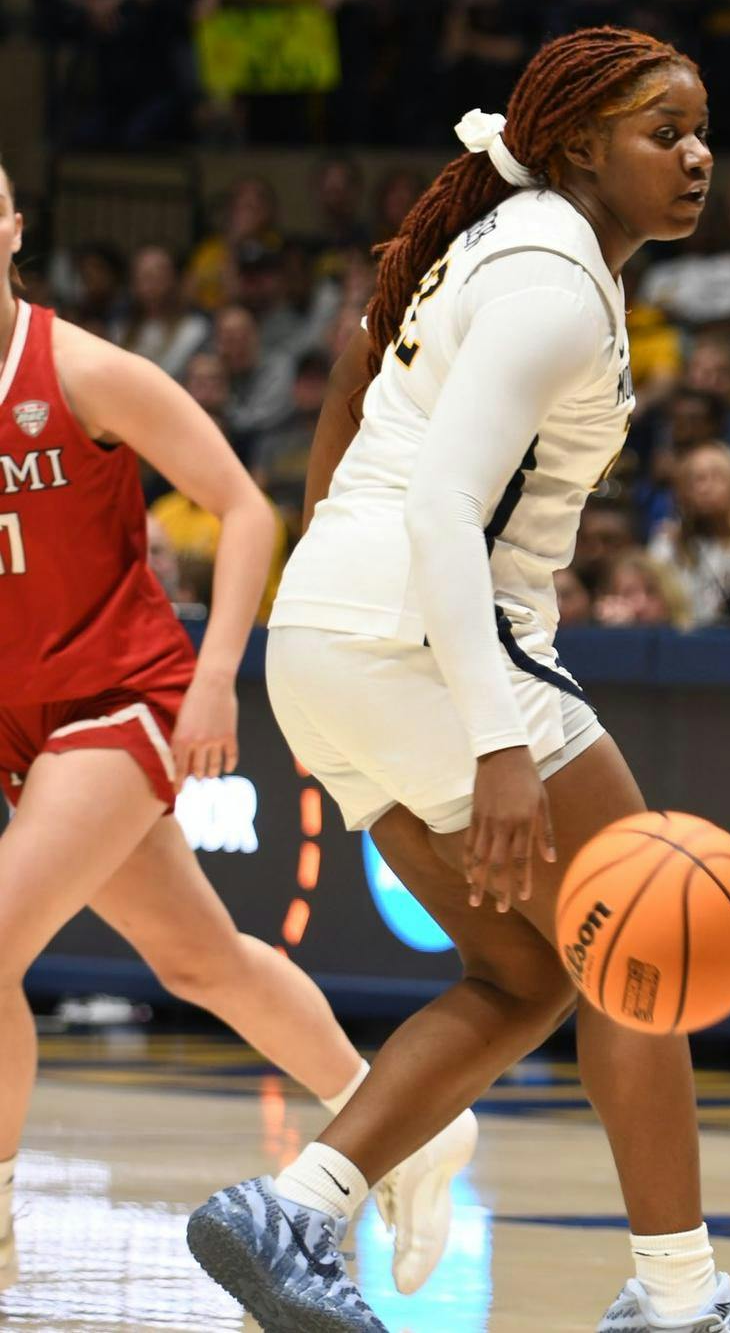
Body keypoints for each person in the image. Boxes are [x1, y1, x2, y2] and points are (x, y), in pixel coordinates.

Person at [183, 28, 730, 1333]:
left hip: (332, 642)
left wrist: (339, 581)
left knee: (525, 973)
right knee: (643, 947)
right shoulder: (551, 277)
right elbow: (445, 509)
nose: (697, 154)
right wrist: (499, 742)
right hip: (431, 636)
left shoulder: (492, 251)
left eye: (701, 128)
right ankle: (680, 1302)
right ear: (571, 149)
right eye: (662, 133)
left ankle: (302, 1206)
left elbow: (354, 366)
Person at [0, 155, 468, 1298]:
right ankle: (402, 1123)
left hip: (122, 692)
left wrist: (217, 678)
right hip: (19, 710)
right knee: (198, 959)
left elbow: (244, 506)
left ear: (10, 225)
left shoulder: (83, 369)